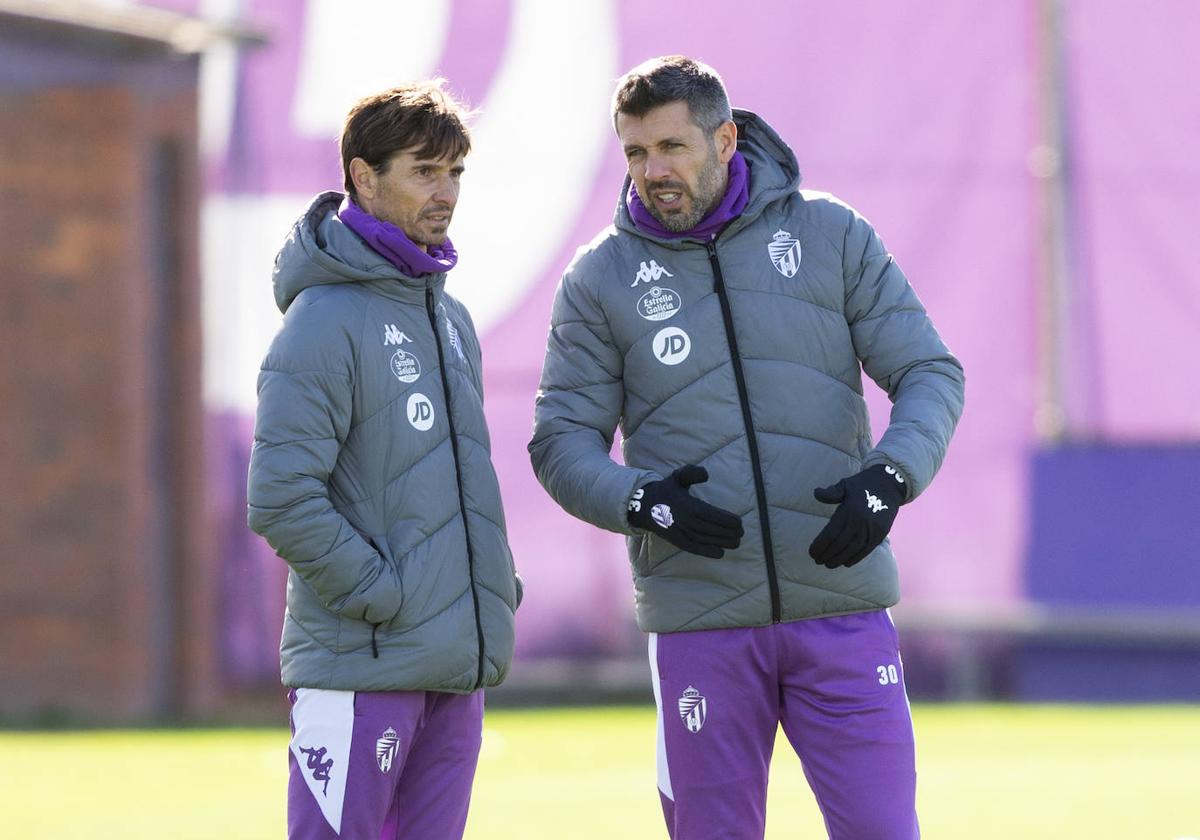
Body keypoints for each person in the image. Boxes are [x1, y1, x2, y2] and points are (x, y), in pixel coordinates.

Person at [529, 56, 964, 839]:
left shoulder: (830, 233)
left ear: (725, 138)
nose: (651, 171)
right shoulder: (599, 279)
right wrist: (641, 500)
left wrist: (891, 478)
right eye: (634, 152)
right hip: (700, 622)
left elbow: (929, 372)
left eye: (671, 148)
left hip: (844, 609)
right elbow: (561, 443)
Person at [247, 81, 521, 840]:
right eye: (424, 171)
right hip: (359, 667)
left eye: (456, 172)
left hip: (451, 666)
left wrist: (483, 588)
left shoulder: (448, 315)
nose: (447, 192)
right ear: (364, 178)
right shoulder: (322, 321)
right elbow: (280, 497)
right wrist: (383, 595)